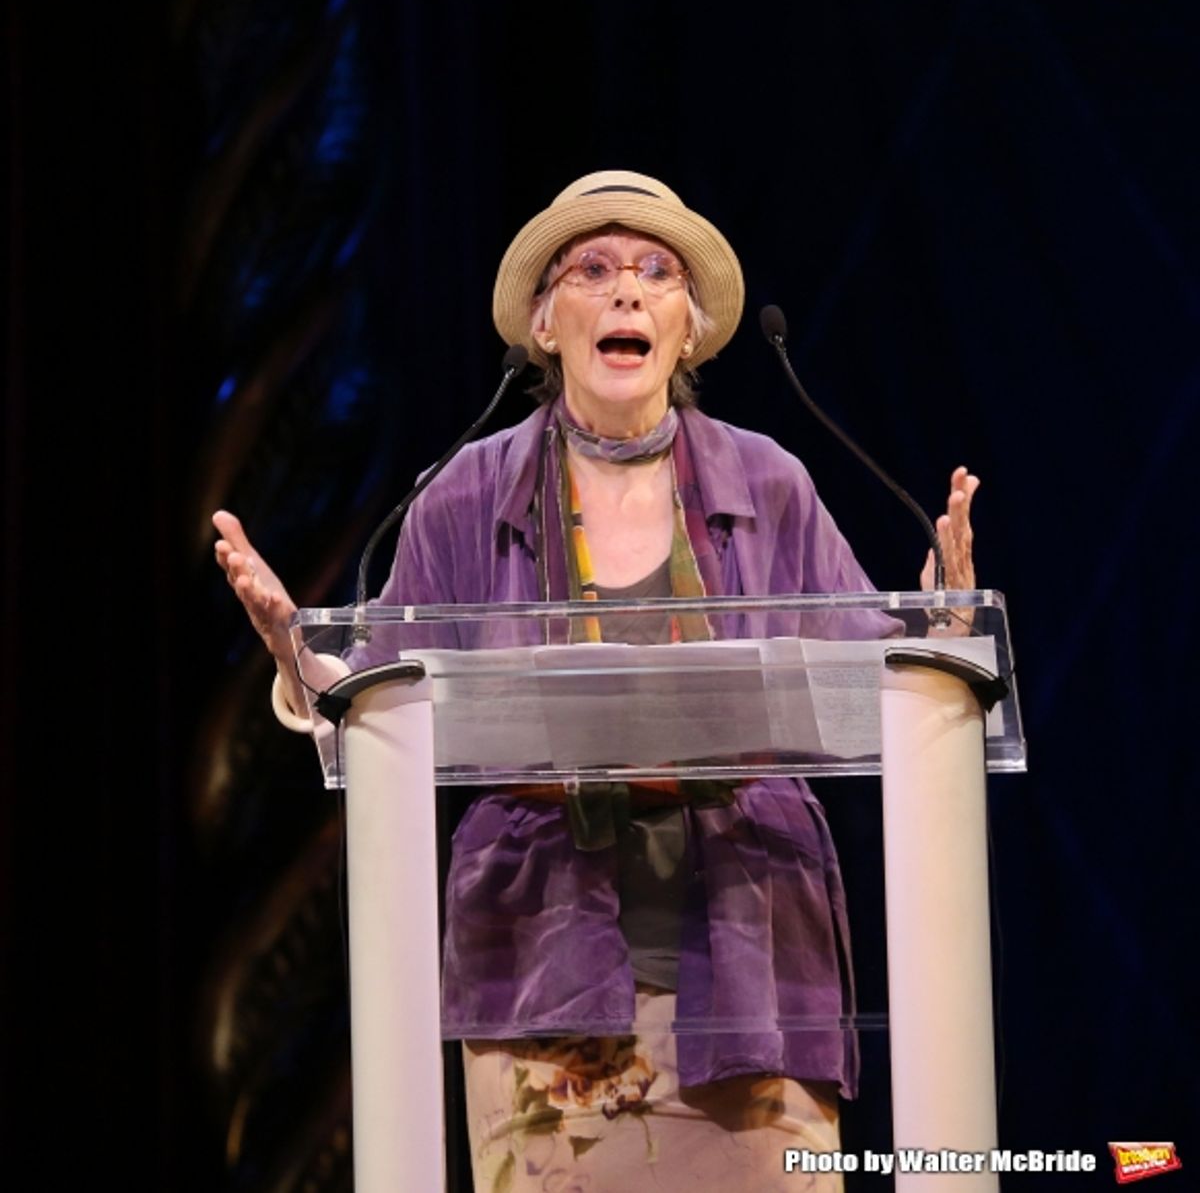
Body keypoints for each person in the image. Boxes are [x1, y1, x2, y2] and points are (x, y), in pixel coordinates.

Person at [214, 171, 979, 1192]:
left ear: (689, 325)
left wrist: (940, 633)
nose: (626, 293)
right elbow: (373, 697)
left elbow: (870, 674)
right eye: (594, 271)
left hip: (752, 981)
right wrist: (296, 658)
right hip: (545, 990)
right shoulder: (461, 496)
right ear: (544, 321)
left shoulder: (769, 483)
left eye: (656, 273)